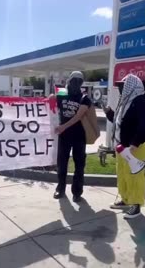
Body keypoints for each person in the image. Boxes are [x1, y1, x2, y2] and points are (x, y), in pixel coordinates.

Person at [105, 74, 145, 219]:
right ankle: (125, 199)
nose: (120, 88)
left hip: (134, 147)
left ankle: (136, 205)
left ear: (132, 86)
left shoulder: (140, 102)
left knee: (135, 176)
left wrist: (135, 143)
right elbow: (121, 122)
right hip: (122, 145)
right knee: (123, 173)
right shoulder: (125, 102)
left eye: (122, 86)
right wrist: (109, 113)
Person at [52, 71, 92, 203]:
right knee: (62, 164)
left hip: (79, 136)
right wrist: (51, 96)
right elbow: (52, 101)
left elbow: (78, 116)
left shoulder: (84, 98)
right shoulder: (62, 93)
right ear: (69, 80)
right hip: (64, 137)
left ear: (82, 83)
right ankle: (60, 188)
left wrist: (63, 126)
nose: (76, 83)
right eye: (74, 80)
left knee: (79, 165)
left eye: (79, 81)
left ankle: (77, 192)